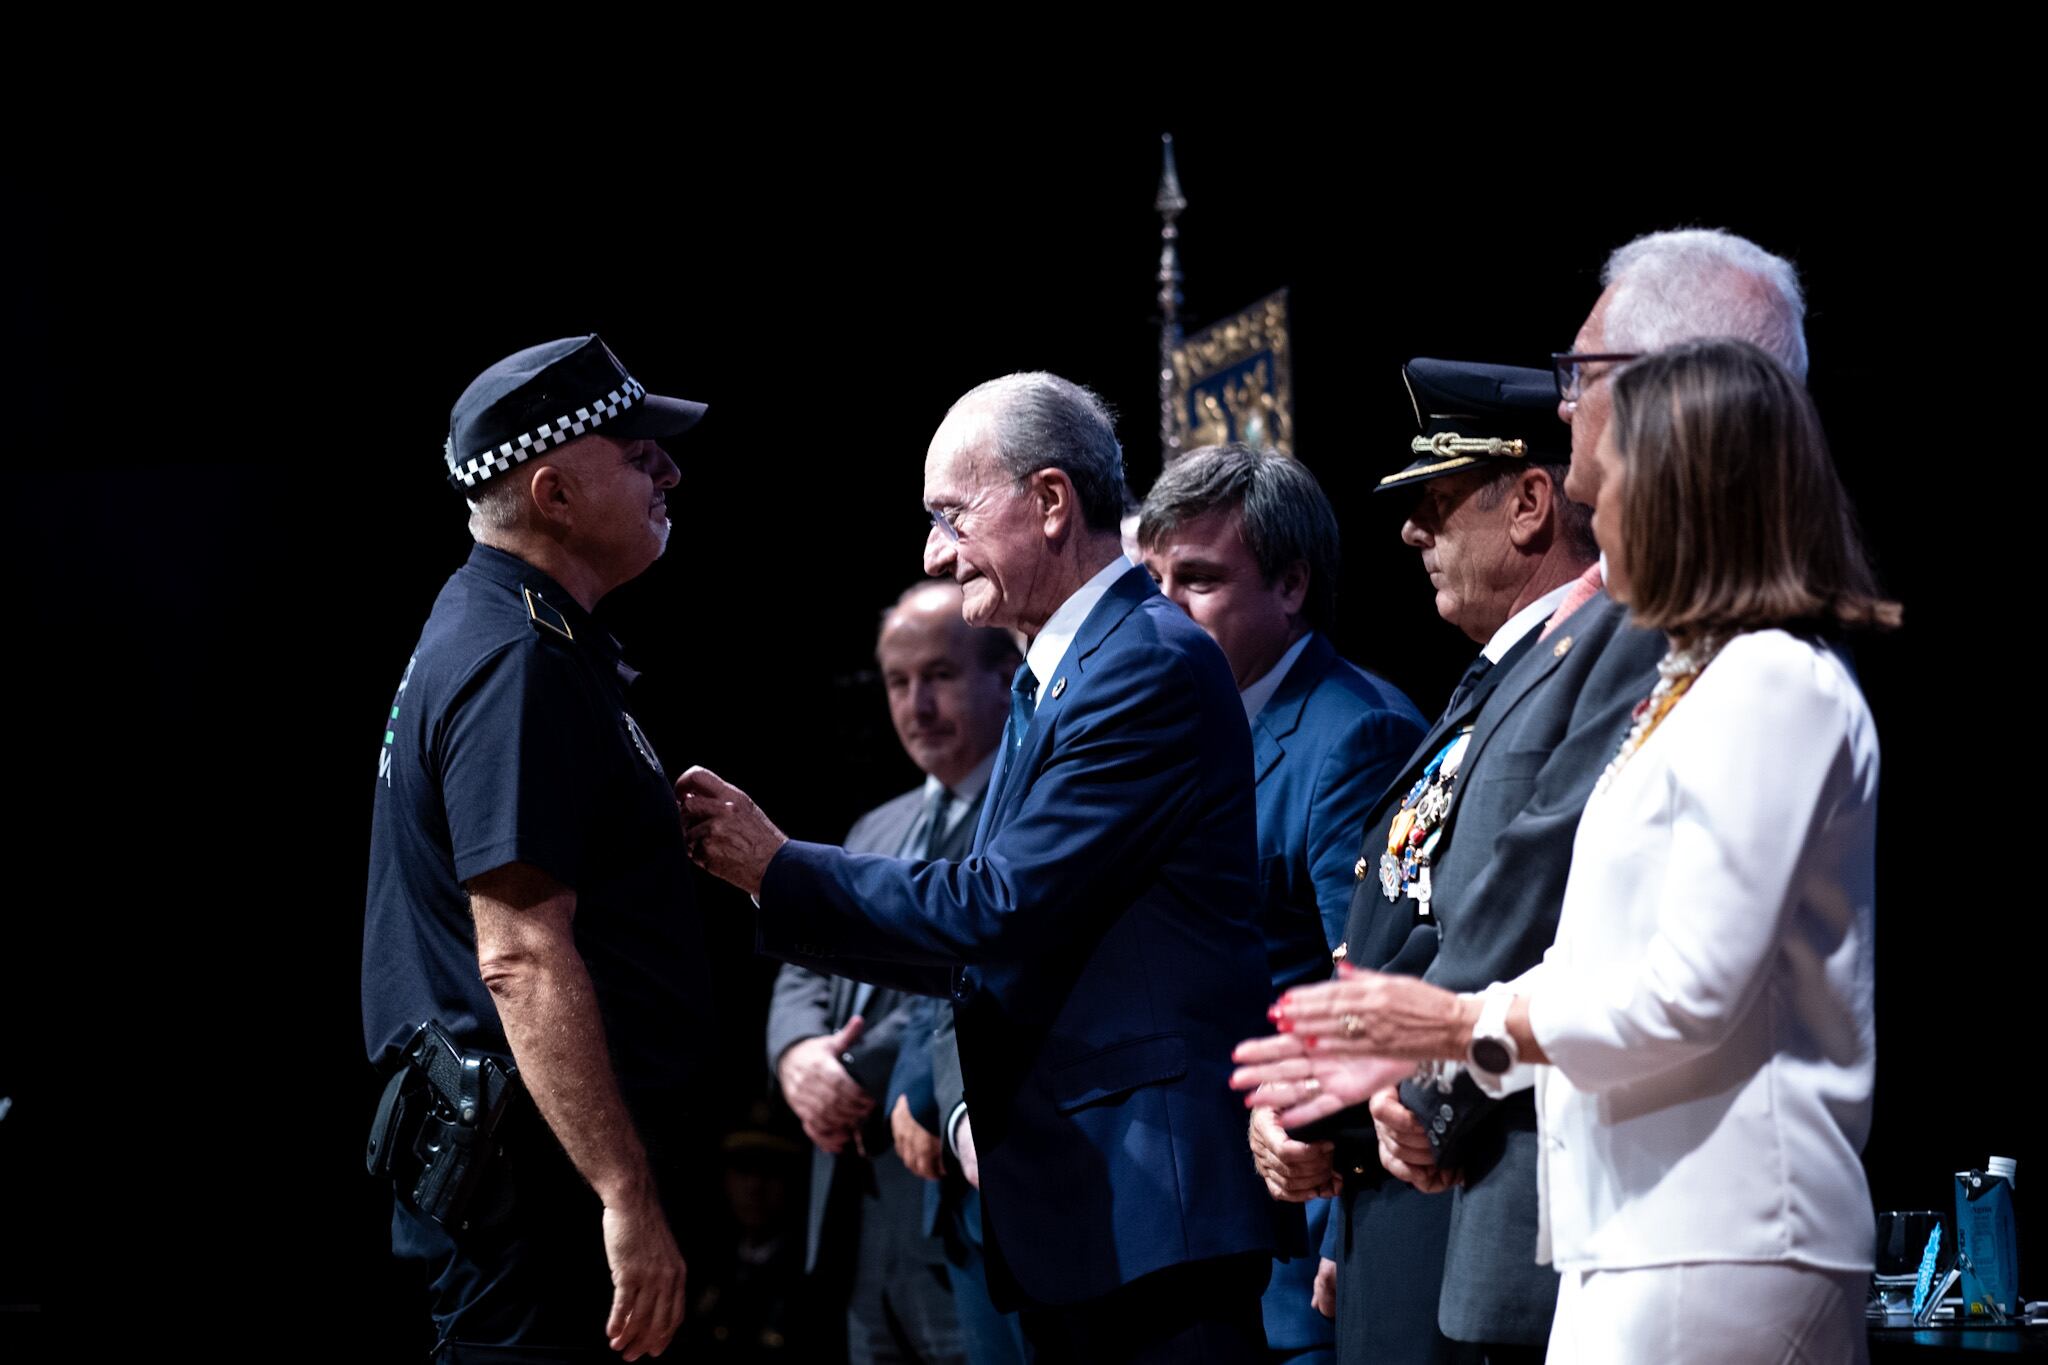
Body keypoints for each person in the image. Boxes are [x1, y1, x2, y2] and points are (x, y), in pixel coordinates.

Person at [1235, 338, 1897, 1365]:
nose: (1590, 508)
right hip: (1630, 1223)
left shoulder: (1775, 680)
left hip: (1719, 1230)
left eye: (1609, 479)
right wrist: (1396, 1051)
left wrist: (1459, 1022)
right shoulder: (1694, 684)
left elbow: (1688, 989)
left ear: (1689, 493)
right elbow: (1590, 950)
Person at [681, 371, 1281, 1363]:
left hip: (1149, 1212)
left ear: (1049, 502)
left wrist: (776, 867)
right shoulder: (1061, 673)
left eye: (950, 515)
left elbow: (998, 908)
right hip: (1079, 1209)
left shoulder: (1143, 663)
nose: (931, 552)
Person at [362, 334, 714, 1363]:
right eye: (637, 450)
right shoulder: (513, 657)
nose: (669, 469)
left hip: (542, 1184)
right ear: (554, 494)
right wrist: (622, 1193)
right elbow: (516, 954)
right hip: (547, 1207)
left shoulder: (509, 629)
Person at [1137, 442, 1425, 1364]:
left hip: (1300, 1251)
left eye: (1199, 580)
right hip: (1193, 1233)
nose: (1164, 609)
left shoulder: (1356, 735)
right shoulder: (1180, 728)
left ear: (1292, 585)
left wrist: (1345, 1237)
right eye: (1153, 579)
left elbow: (1381, 999)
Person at [763, 580, 1017, 1365]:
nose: (917, 704)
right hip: (852, 1202)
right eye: (899, 682)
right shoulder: (877, 823)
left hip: (952, 1195)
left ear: (1005, 675)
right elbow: (802, 969)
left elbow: (969, 978)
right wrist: (798, 1055)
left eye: (939, 675)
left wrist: (854, 1071)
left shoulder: (1022, 812)